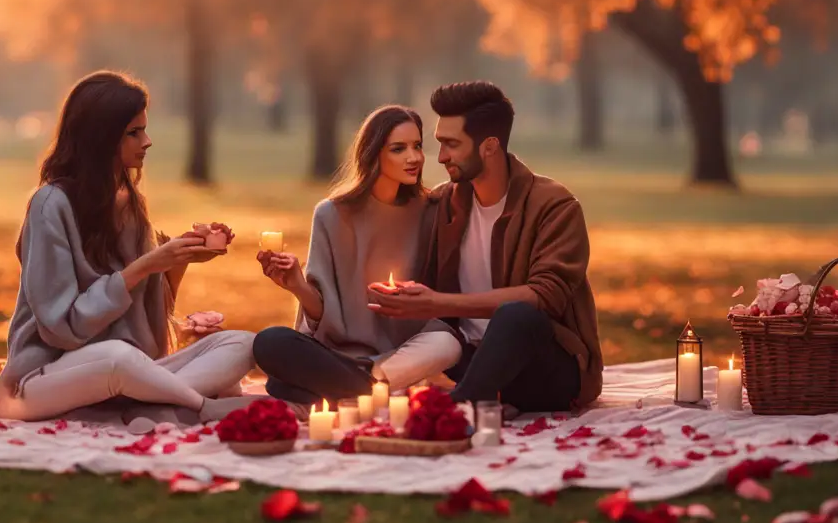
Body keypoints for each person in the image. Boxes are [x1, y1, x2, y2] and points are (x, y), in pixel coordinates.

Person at [0, 71, 257, 424]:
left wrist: (180, 259)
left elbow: (151, 317)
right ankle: (200, 409)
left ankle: (148, 406)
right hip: (40, 382)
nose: (147, 141)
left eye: (144, 130)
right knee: (117, 357)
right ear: (101, 138)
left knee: (243, 344)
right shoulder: (50, 205)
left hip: (128, 373)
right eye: (134, 132)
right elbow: (62, 328)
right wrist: (145, 266)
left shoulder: (131, 205)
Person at [367, 81, 603, 413]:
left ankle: (458, 405)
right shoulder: (443, 203)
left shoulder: (554, 205)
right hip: (467, 360)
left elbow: (547, 295)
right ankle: (358, 380)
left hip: (544, 370)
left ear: (489, 147)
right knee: (437, 345)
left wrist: (439, 302)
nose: (441, 157)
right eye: (439, 143)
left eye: (451, 144)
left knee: (517, 316)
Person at [252, 105, 463, 407]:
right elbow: (320, 317)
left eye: (417, 146)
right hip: (338, 355)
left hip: (404, 353)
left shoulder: (431, 210)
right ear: (374, 153)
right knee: (271, 342)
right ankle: (370, 389)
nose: (414, 157)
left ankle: (354, 387)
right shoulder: (331, 214)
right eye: (398, 149)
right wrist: (296, 284)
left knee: (447, 343)